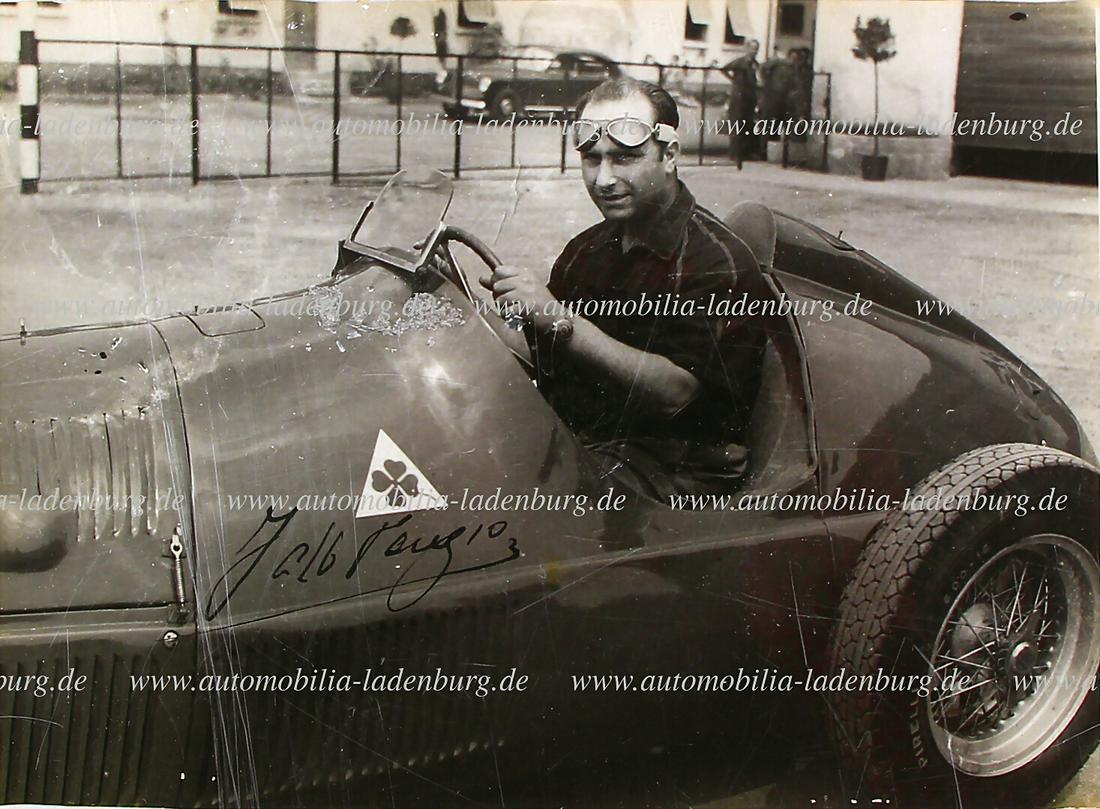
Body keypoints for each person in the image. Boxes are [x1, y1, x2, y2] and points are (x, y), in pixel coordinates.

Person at [479, 78, 770, 499]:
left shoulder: (714, 263)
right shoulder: (588, 249)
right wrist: (463, 308)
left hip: (674, 470)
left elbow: (677, 393)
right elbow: (541, 352)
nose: (603, 179)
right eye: (591, 159)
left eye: (625, 158)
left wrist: (560, 319)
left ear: (669, 155)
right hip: (591, 442)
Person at [720, 39, 760, 167]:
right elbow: (724, 68)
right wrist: (734, 80)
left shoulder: (755, 64)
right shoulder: (740, 62)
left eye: (756, 48)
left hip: (750, 97)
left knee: (747, 124)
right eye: (752, 48)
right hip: (738, 97)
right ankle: (734, 153)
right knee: (737, 124)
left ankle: (744, 153)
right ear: (747, 48)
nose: (754, 51)